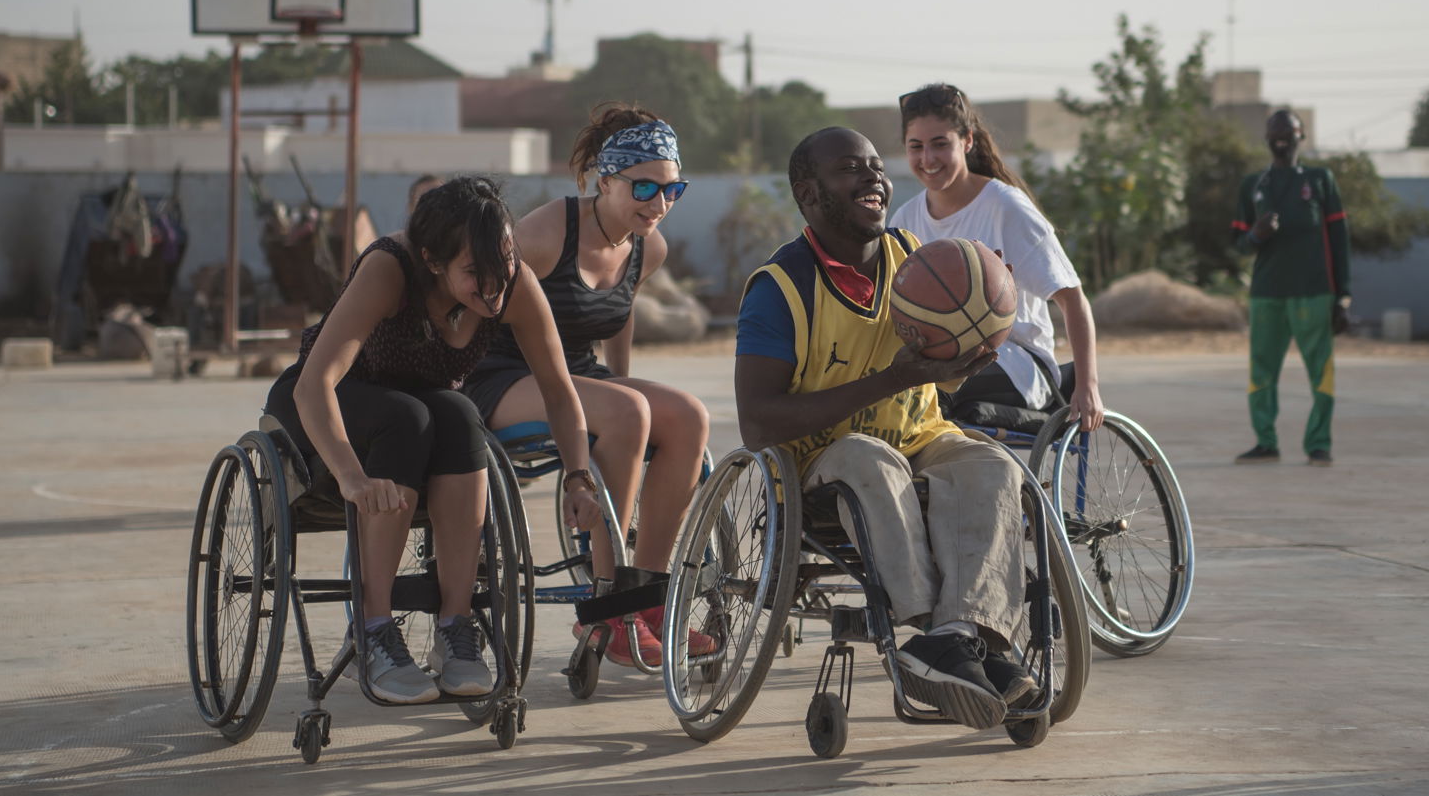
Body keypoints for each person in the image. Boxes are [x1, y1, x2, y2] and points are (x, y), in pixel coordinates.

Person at [735, 125, 1035, 732]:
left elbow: (931, 378)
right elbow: (758, 421)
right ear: (809, 193)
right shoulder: (781, 288)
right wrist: (891, 380)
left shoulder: (919, 258)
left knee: (993, 464)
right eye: (851, 168)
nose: (874, 177)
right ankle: (932, 631)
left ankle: (963, 635)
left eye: (876, 165)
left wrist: (962, 357)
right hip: (819, 458)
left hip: (918, 436)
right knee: (870, 458)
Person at [264, 176, 600, 703]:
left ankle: (455, 627)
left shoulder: (512, 284)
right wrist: (352, 478)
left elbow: (560, 392)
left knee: (463, 415)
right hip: (326, 404)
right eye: (475, 274)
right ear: (433, 260)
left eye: (505, 263)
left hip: (415, 410)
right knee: (409, 418)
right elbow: (314, 385)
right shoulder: (390, 269)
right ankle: (371, 631)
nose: (495, 287)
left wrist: (578, 477)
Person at [464, 106, 710, 668]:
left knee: (688, 416)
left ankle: (645, 601)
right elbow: (473, 302)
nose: (660, 202)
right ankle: (607, 609)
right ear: (606, 181)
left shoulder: (650, 246)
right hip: (499, 373)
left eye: (674, 190)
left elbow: (618, 315)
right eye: (644, 186)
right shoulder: (547, 233)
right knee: (626, 411)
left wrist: (624, 388)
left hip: (576, 373)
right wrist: (622, 406)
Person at [889, 83, 1105, 431]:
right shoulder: (904, 220)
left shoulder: (1005, 207)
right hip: (940, 360)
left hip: (1018, 365)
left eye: (940, 144)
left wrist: (1088, 386)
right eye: (916, 147)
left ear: (967, 141)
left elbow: (1073, 299)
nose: (927, 159)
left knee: (929, 390)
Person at [1230, 109, 1351, 466]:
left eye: (1289, 132)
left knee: (1321, 369)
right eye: (1275, 132)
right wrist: (1256, 235)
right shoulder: (1254, 184)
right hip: (1267, 293)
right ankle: (1265, 441)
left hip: (1314, 291)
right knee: (1262, 368)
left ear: (1302, 136)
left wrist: (1343, 296)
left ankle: (1319, 443)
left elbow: (1339, 239)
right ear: (1266, 139)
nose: (1281, 138)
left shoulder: (1320, 179)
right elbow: (1238, 243)